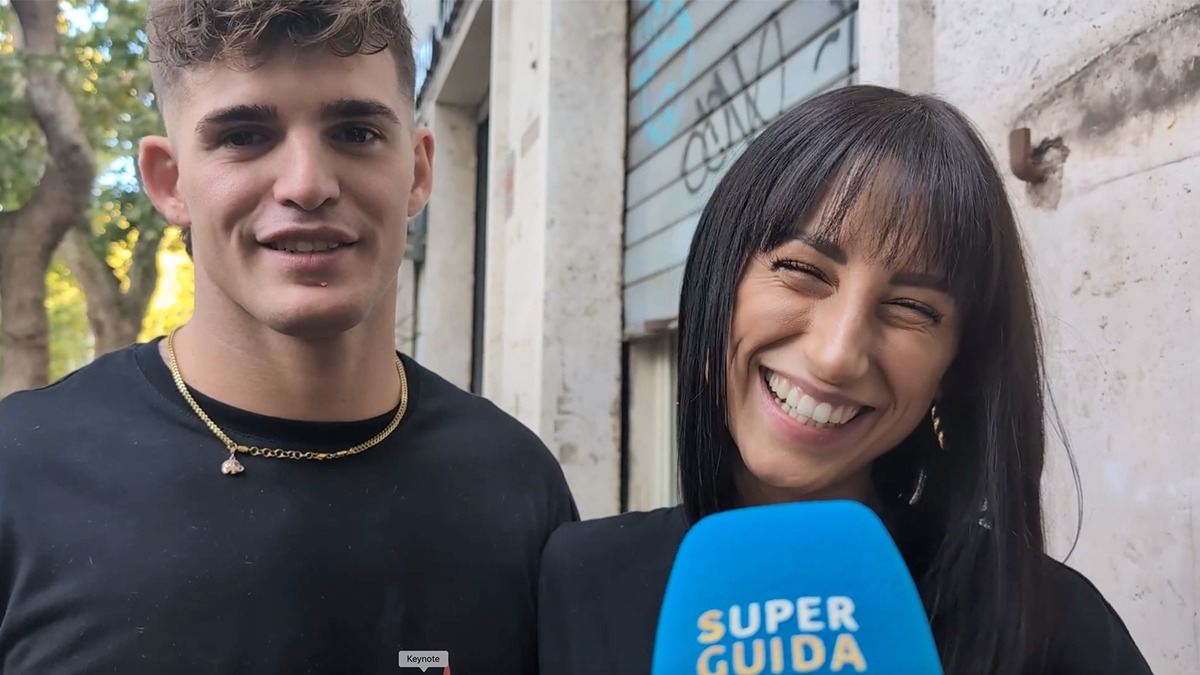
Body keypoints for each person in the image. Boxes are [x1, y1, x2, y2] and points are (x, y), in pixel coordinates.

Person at [0, 1, 577, 673]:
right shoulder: (20, 473)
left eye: (356, 132)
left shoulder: (516, 485)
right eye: (244, 136)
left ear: (419, 171)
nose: (307, 185)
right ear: (169, 181)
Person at [537, 85, 1153, 675]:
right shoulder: (579, 581)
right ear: (718, 285)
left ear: (955, 368)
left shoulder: (1059, 629)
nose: (836, 356)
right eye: (803, 270)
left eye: (912, 308)